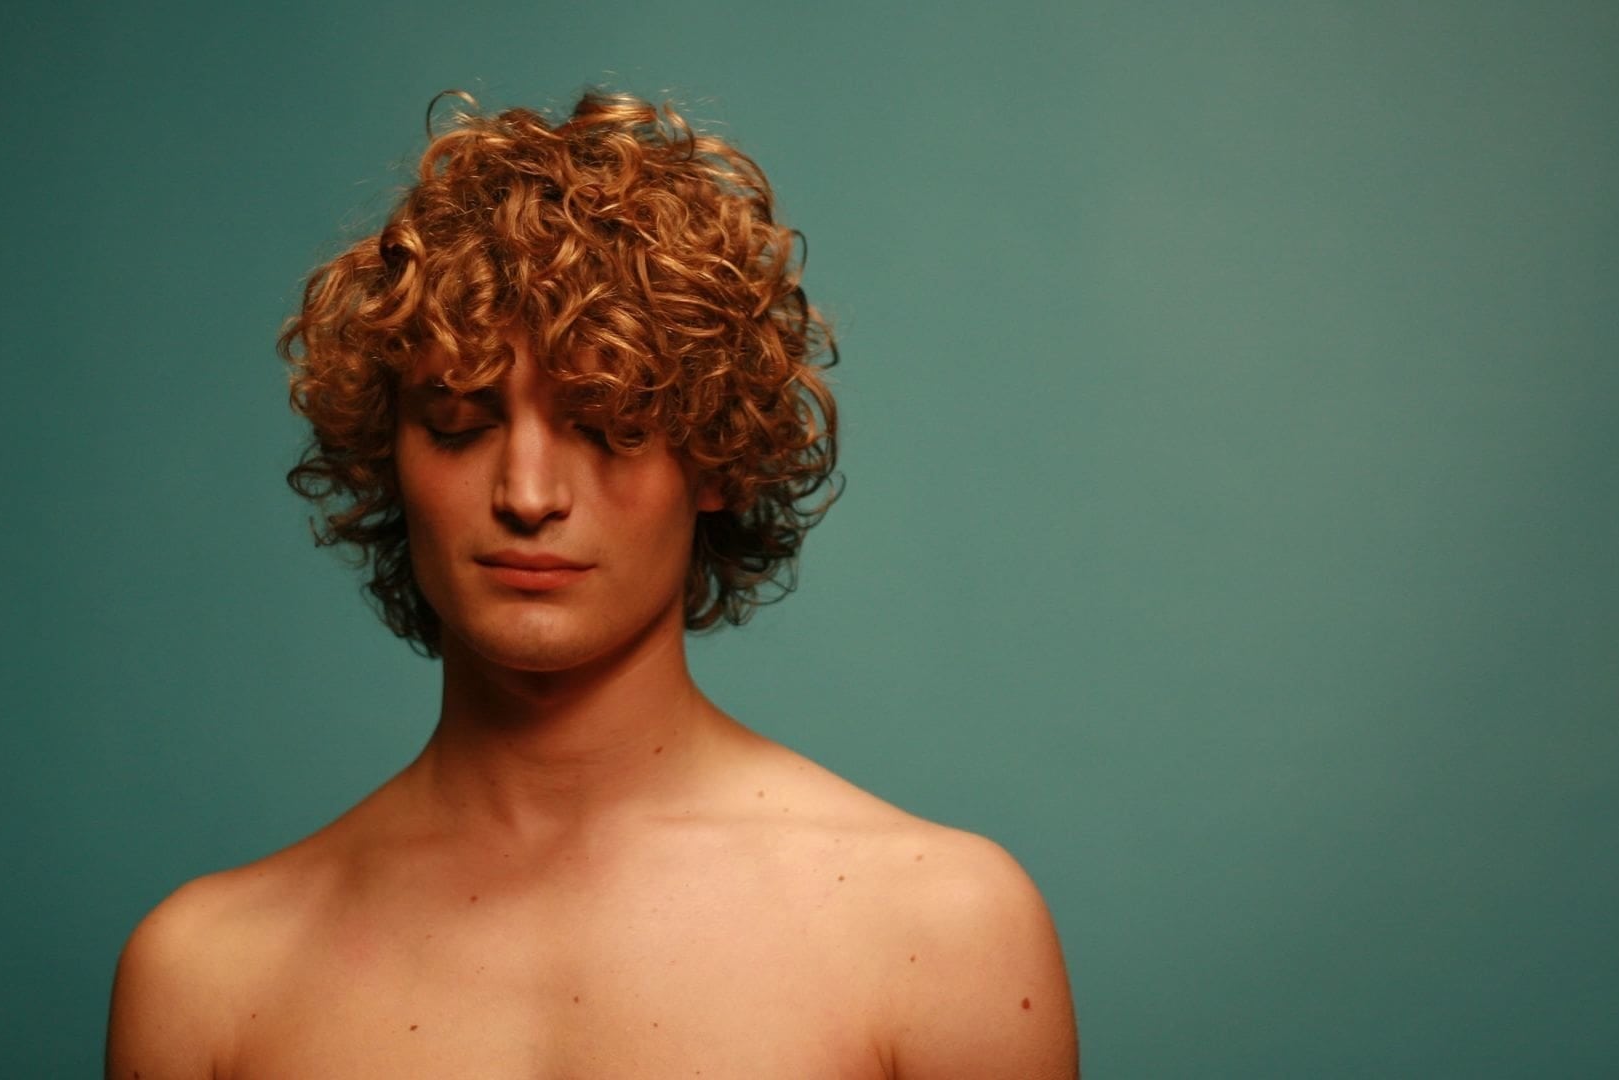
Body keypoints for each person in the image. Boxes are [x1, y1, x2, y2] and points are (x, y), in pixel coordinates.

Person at [106, 89, 1077, 1079]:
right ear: (388, 455)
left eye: (609, 422)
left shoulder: (939, 938)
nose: (528, 494)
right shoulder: (207, 978)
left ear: (716, 457)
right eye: (458, 423)